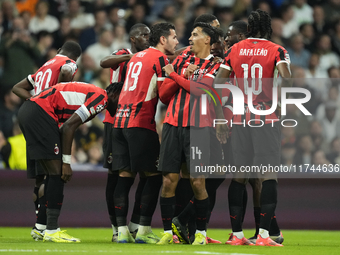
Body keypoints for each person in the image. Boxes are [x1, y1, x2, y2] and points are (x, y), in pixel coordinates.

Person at [214, 9, 291, 247]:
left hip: (239, 119)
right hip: (264, 119)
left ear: (248, 29)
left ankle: (237, 235)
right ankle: (265, 236)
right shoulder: (277, 50)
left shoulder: (234, 50)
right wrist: (277, 102)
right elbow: (287, 78)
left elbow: (218, 82)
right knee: (268, 174)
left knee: (239, 176)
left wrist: (220, 119)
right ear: (268, 28)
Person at [17, 81, 121, 243]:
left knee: (51, 175)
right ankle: (52, 230)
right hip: (39, 112)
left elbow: (64, 127)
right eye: (123, 100)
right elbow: (68, 128)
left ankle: (41, 227)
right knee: (58, 172)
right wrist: (66, 162)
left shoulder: (94, 94)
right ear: (114, 94)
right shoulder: (102, 98)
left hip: (30, 111)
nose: (122, 106)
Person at [111, 22, 178, 244]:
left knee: (124, 176)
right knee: (154, 176)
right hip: (140, 123)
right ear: (162, 40)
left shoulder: (135, 58)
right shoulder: (159, 59)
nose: (176, 42)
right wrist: (178, 79)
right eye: (174, 37)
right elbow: (164, 95)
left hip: (119, 123)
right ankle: (143, 230)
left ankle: (121, 231)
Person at [156, 22, 222, 245]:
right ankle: (168, 232)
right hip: (172, 124)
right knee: (168, 181)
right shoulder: (183, 60)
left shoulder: (216, 66)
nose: (190, 38)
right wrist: (181, 73)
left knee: (197, 182)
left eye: (195, 35)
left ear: (207, 40)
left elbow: (200, 91)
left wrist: (175, 75)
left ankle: (201, 234)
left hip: (199, 128)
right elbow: (164, 95)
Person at [12, 41, 82, 241]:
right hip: (46, 120)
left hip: (31, 118)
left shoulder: (45, 65)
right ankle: (48, 228)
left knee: (41, 177)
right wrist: (56, 94)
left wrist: (35, 100)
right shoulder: (69, 62)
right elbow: (68, 70)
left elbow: (18, 88)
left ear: (59, 50)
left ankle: (39, 225)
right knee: (56, 173)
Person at [99, 23, 151, 242]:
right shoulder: (124, 53)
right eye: (144, 35)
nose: (148, 38)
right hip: (114, 121)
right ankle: (116, 228)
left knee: (143, 174)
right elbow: (104, 62)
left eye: (150, 36)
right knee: (115, 176)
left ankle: (134, 226)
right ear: (133, 38)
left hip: (136, 121)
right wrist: (129, 59)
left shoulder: (151, 57)